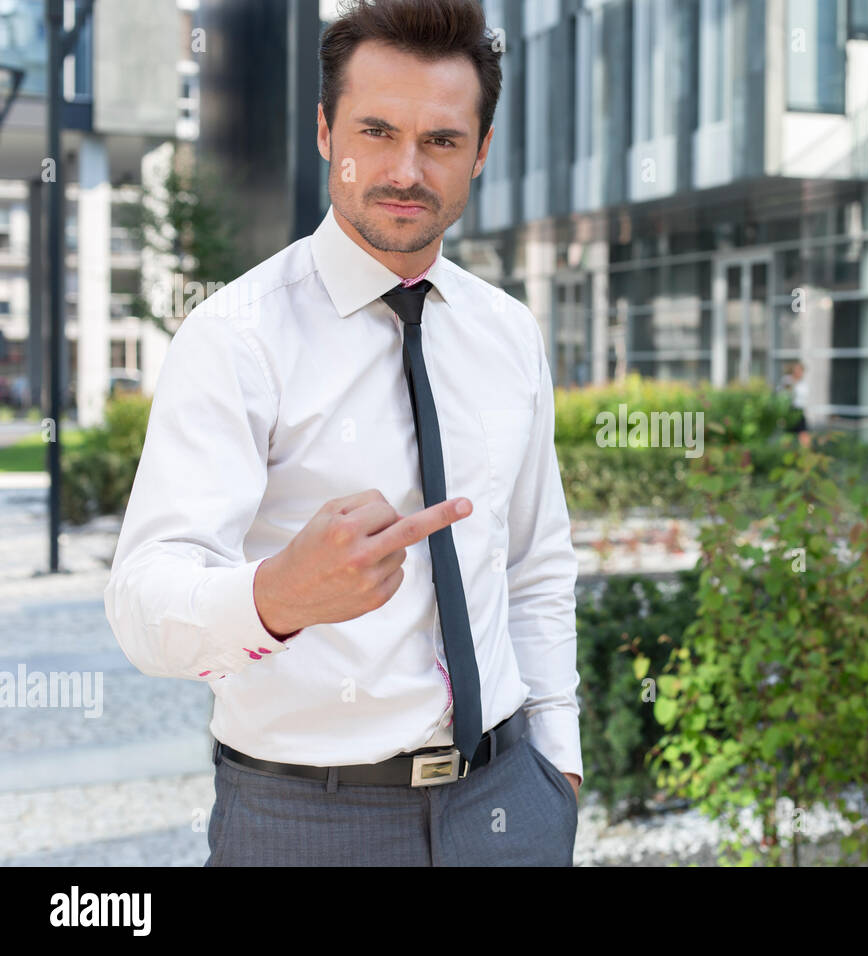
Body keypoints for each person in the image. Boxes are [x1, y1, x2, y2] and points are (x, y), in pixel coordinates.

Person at [104, 0, 581, 866]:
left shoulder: (509, 332)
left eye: (440, 141)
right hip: (304, 820)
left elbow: (536, 564)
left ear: (479, 152)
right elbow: (141, 601)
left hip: (508, 805)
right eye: (376, 130)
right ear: (326, 132)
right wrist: (277, 595)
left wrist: (560, 771)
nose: (405, 169)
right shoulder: (236, 336)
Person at [782, 360, 812, 448]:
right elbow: (784, 395)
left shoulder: (803, 384)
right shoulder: (787, 380)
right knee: (787, 436)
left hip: (798, 411)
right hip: (789, 411)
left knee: (803, 434)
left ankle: (806, 455)